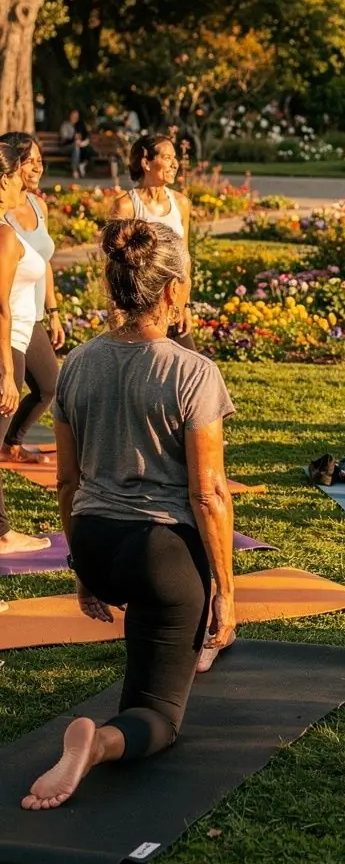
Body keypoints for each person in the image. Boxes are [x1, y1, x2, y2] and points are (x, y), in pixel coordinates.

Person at [22, 219, 236, 811]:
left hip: (94, 539)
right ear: (170, 292)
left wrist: (83, 570)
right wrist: (225, 591)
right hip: (160, 557)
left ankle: (104, 729)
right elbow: (210, 495)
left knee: (148, 638)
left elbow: (67, 482)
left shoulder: (79, 365)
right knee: (160, 716)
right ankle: (99, 746)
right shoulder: (193, 372)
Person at [0, 141, 52, 558]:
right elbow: (0, 307)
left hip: (19, 335)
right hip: (10, 342)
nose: (28, 179)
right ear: (5, 178)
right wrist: (6, 372)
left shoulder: (15, 224)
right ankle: (1, 533)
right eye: (22, 171)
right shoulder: (3, 233)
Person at [0, 133, 64, 465]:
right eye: (30, 161)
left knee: (48, 387)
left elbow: (44, 259)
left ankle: (12, 444)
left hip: (32, 313)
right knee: (7, 394)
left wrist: (52, 309)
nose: (38, 166)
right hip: (9, 316)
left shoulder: (40, 206)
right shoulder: (5, 216)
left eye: (41, 160)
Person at [111, 134, 195, 349]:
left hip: (172, 301)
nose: (174, 163)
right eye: (167, 157)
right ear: (146, 162)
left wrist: (185, 304)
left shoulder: (181, 203)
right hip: (140, 307)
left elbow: (184, 258)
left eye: (174, 157)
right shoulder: (127, 206)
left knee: (185, 365)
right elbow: (115, 262)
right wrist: (116, 312)